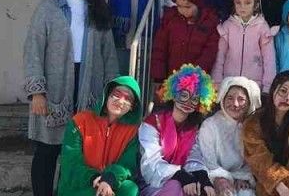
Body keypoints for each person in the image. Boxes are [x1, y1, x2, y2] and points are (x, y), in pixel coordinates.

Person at [24, 0, 119, 196]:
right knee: (47, 150)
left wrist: (112, 94)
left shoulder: (98, 11)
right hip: (55, 85)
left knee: (79, 152)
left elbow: (108, 55)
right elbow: (33, 50)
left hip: (89, 85)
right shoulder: (47, 9)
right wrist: (37, 92)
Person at [56, 76, 144, 196]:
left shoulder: (132, 131)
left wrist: (109, 179)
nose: (120, 101)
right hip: (81, 185)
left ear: (132, 107)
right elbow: (71, 162)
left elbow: (127, 164)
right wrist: (95, 178)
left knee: (130, 189)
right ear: (107, 95)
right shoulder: (80, 121)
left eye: (128, 99)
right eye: (116, 94)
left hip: (110, 183)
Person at [138, 65, 216, 196]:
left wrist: (202, 176)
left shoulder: (194, 129)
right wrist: (179, 175)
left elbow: (194, 156)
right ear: (173, 95)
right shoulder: (153, 123)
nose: (188, 102)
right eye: (184, 95)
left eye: (194, 99)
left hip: (182, 182)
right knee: (175, 186)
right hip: (152, 183)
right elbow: (150, 163)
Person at [242, 72, 289, 196]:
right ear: (273, 90)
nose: (287, 98)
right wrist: (281, 188)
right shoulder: (253, 122)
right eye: (283, 91)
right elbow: (260, 161)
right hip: (266, 184)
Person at [194, 77, 263, 196]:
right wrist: (219, 178)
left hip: (240, 178)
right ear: (223, 99)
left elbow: (251, 160)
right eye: (230, 98)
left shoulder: (251, 128)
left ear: (249, 103)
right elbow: (208, 161)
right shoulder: (210, 125)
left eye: (241, 99)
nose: (235, 104)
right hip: (213, 178)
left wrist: (243, 177)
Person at [150, 0, 219, 93]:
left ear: (198, 5)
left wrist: (192, 77)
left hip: (196, 83)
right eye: (179, 6)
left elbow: (209, 54)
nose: (182, 10)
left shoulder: (210, 22)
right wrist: (158, 77)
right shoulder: (170, 19)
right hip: (170, 81)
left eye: (187, 7)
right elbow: (160, 49)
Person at [213, 0, 277, 90]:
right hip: (229, 82)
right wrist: (217, 82)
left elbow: (269, 59)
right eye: (238, 3)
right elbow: (220, 56)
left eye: (247, 3)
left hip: (253, 85)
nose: (242, 6)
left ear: (255, 5)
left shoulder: (262, 27)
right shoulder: (227, 26)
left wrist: (268, 87)